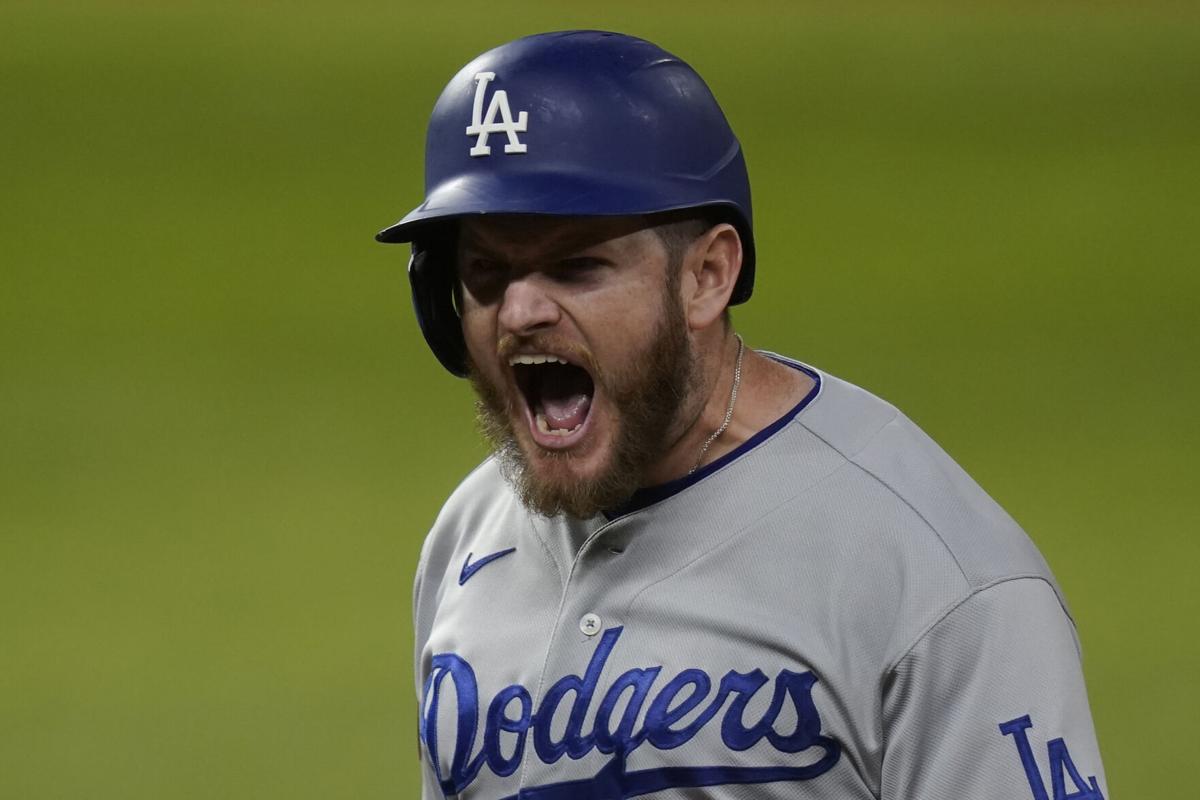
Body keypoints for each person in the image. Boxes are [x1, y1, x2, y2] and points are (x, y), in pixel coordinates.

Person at [375, 30, 1108, 800]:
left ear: (707, 276)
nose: (518, 310)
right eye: (485, 272)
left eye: (575, 266)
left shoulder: (934, 576)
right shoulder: (468, 536)